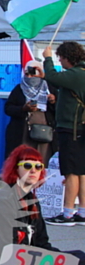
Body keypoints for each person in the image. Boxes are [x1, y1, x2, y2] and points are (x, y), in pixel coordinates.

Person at [0, 145, 85, 265]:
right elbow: (8, 249)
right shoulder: (2, 200)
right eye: (27, 165)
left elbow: (42, 244)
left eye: (38, 166)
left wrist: (63, 261)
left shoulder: (32, 201)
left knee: (80, 258)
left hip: (27, 262)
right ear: (15, 169)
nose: (33, 170)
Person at [43, 42, 85, 226]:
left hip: (72, 128)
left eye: (61, 57)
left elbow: (52, 77)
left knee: (71, 172)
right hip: (80, 128)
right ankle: (82, 211)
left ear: (68, 57)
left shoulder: (77, 74)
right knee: (82, 172)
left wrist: (47, 58)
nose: (60, 60)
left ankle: (67, 213)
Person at [4, 60, 57, 163]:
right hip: (23, 131)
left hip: (44, 132)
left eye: (33, 74)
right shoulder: (19, 89)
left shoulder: (49, 87)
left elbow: (60, 110)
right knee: (23, 158)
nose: (29, 77)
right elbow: (8, 108)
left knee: (42, 159)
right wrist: (23, 109)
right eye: (27, 74)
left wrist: (53, 101)